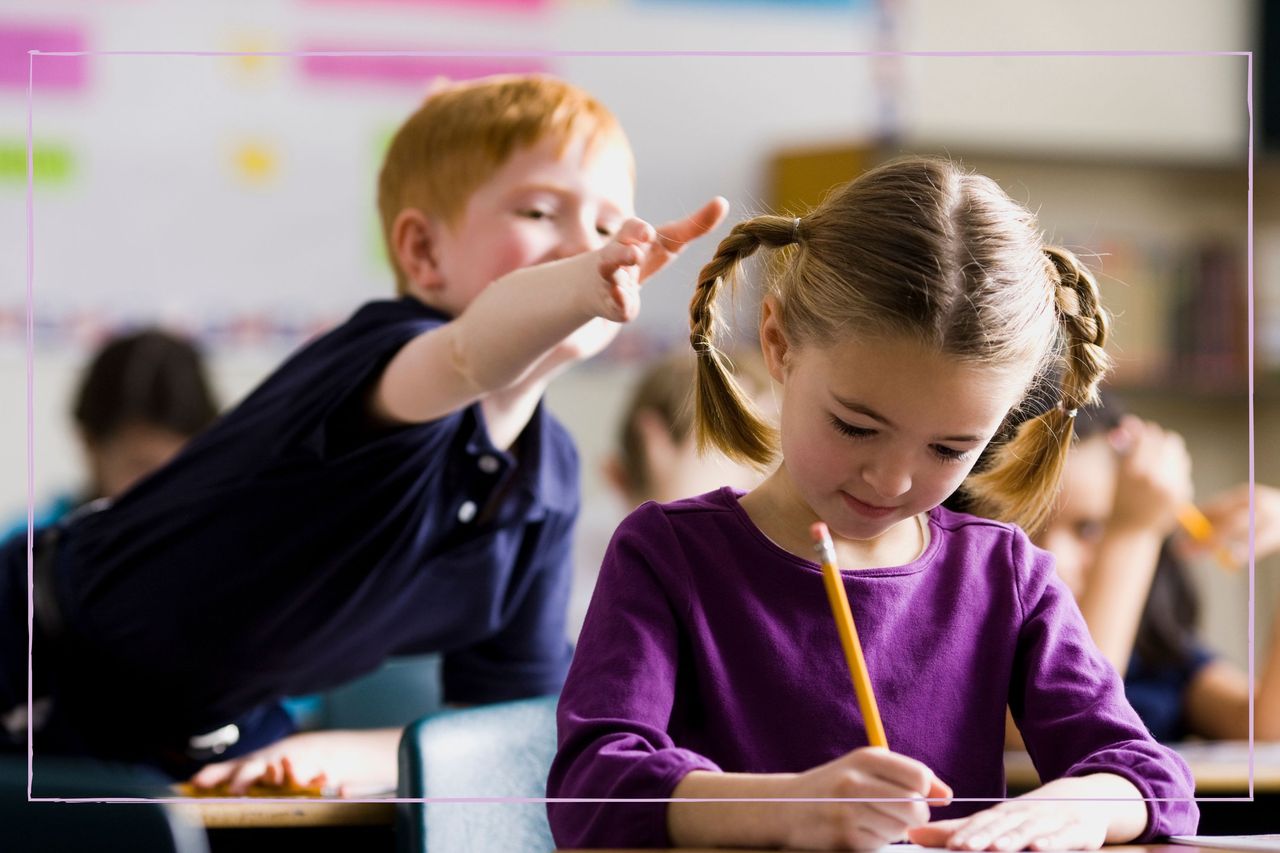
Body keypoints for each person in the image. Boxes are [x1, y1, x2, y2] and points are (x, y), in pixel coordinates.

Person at [0, 74, 727, 795]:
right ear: (423, 253)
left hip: (194, 735)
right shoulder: (386, 358)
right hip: (33, 644)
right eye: (541, 211)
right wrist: (578, 279)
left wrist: (344, 755)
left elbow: (506, 720)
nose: (592, 247)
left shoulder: (547, 478)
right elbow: (471, 352)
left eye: (609, 227)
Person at [548, 157, 1198, 850]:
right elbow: (591, 789)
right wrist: (791, 806)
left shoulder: (1003, 573)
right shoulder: (667, 554)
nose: (891, 481)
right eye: (856, 426)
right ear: (778, 342)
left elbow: (1150, 777)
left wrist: (1081, 806)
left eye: (950, 449)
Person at [1033, 395, 1280, 742]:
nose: (1052, 555)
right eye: (1025, 524)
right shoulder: (984, 647)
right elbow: (1060, 721)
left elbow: (1264, 730)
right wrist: (1134, 529)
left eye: (1088, 528)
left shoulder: (1159, 658)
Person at [1, 328, 220, 540]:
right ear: (89, 444)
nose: (165, 491)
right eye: (142, 467)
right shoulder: (27, 555)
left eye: (181, 468)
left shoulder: (222, 544)